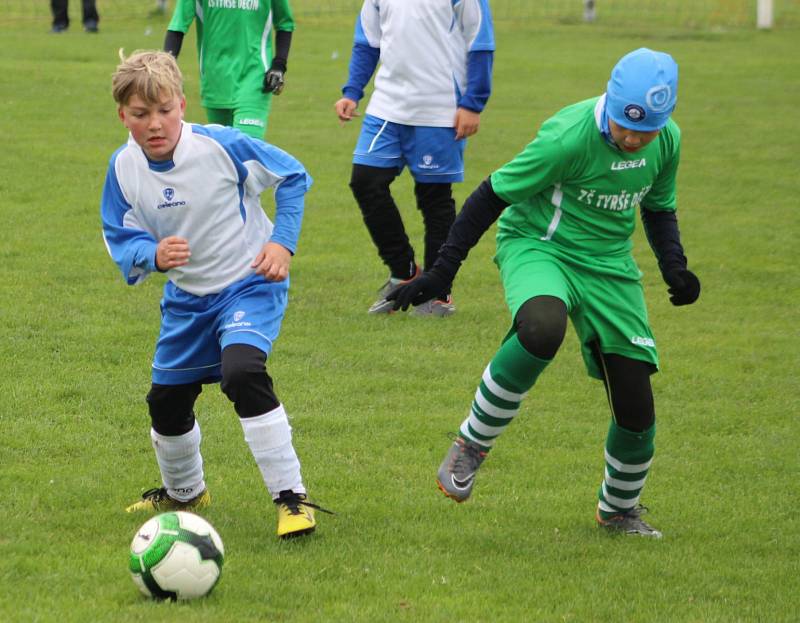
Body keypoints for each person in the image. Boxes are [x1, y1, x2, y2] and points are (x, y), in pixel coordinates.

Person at [388, 48, 701, 538]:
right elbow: (490, 194)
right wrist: (442, 272)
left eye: (647, 131)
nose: (634, 139)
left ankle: (618, 511)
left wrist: (674, 267)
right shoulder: (566, 136)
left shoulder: (667, 142)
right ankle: (471, 444)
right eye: (625, 126)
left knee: (637, 404)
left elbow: (659, 209)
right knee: (541, 327)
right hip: (540, 246)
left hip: (610, 267)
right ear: (610, 106)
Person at [101, 50, 328, 539]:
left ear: (182, 104)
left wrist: (281, 243)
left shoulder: (221, 146)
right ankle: (186, 493)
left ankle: (292, 499)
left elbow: (293, 176)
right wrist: (153, 254)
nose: (155, 124)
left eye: (164, 110)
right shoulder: (123, 169)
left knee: (243, 371)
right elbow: (118, 234)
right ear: (124, 116)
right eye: (141, 115)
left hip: (249, 283)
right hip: (187, 299)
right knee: (165, 400)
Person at [334, 0, 495, 316]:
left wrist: (472, 104)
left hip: (439, 108)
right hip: (387, 106)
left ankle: (437, 294)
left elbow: (481, 43)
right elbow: (368, 40)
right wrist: (352, 91)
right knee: (365, 181)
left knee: (433, 198)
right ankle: (403, 271)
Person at [163, 0, 295, 139]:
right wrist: (165, 71)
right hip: (215, 80)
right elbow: (178, 27)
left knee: (246, 148)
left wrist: (279, 65)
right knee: (224, 153)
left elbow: (285, 23)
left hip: (255, 77)